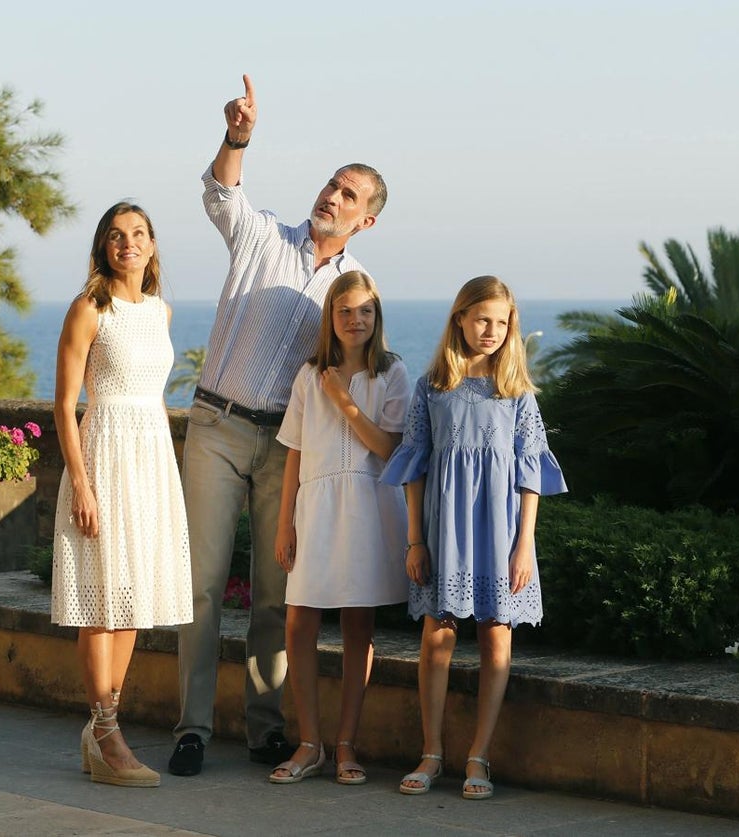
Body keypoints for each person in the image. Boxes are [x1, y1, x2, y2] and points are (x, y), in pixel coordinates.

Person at [169, 74, 388, 777]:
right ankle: (192, 726)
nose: (332, 195)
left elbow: (364, 364)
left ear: (366, 220)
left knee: (275, 593)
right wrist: (238, 136)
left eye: (349, 194)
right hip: (217, 426)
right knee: (201, 586)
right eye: (331, 184)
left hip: (284, 447)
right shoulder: (261, 235)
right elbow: (221, 193)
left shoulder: (355, 293)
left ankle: (264, 728)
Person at [380, 275, 567, 800]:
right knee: (437, 636)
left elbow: (531, 475)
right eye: (482, 318)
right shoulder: (431, 388)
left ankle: (478, 757)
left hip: (502, 532)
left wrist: (524, 544)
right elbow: (413, 467)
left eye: (502, 322)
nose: (491, 330)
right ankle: (432, 752)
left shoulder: (517, 394)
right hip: (445, 530)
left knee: (495, 637)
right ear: (459, 318)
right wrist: (415, 539)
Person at [52, 201, 193, 788]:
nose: (128, 243)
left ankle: (105, 727)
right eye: (116, 235)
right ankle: (105, 729)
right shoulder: (89, 309)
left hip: (149, 460)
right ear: (103, 247)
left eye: (138, 234)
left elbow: (154, 397)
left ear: (153, 245)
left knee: (132, 599)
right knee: (102, 600)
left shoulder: (160, 311)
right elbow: (64, 403)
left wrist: (168, 472)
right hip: (103, 457)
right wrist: (81, 482)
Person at [268, 271, 411, 785]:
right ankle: (310, 743)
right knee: (298, 621)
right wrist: (285, 522)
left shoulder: (391, 373)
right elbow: (294, 452)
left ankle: (346, 744)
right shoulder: (309, 376)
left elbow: (389, 448)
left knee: (358, 626)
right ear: (331, 317)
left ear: (377, 317)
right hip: (317, 506)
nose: (355, 320)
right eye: (345, 311)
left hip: (369, 508)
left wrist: (345, 401)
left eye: (365, 311)